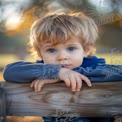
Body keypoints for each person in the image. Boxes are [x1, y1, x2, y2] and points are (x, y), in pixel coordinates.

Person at [3, 12, 122, 122]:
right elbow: (10, 71)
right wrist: (57, 72)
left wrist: (74, 74)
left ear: (86, 50)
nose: (62, 57)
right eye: (51, 50)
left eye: (71, 48)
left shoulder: (96, 66)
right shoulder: (42, 69)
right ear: (40, 54)